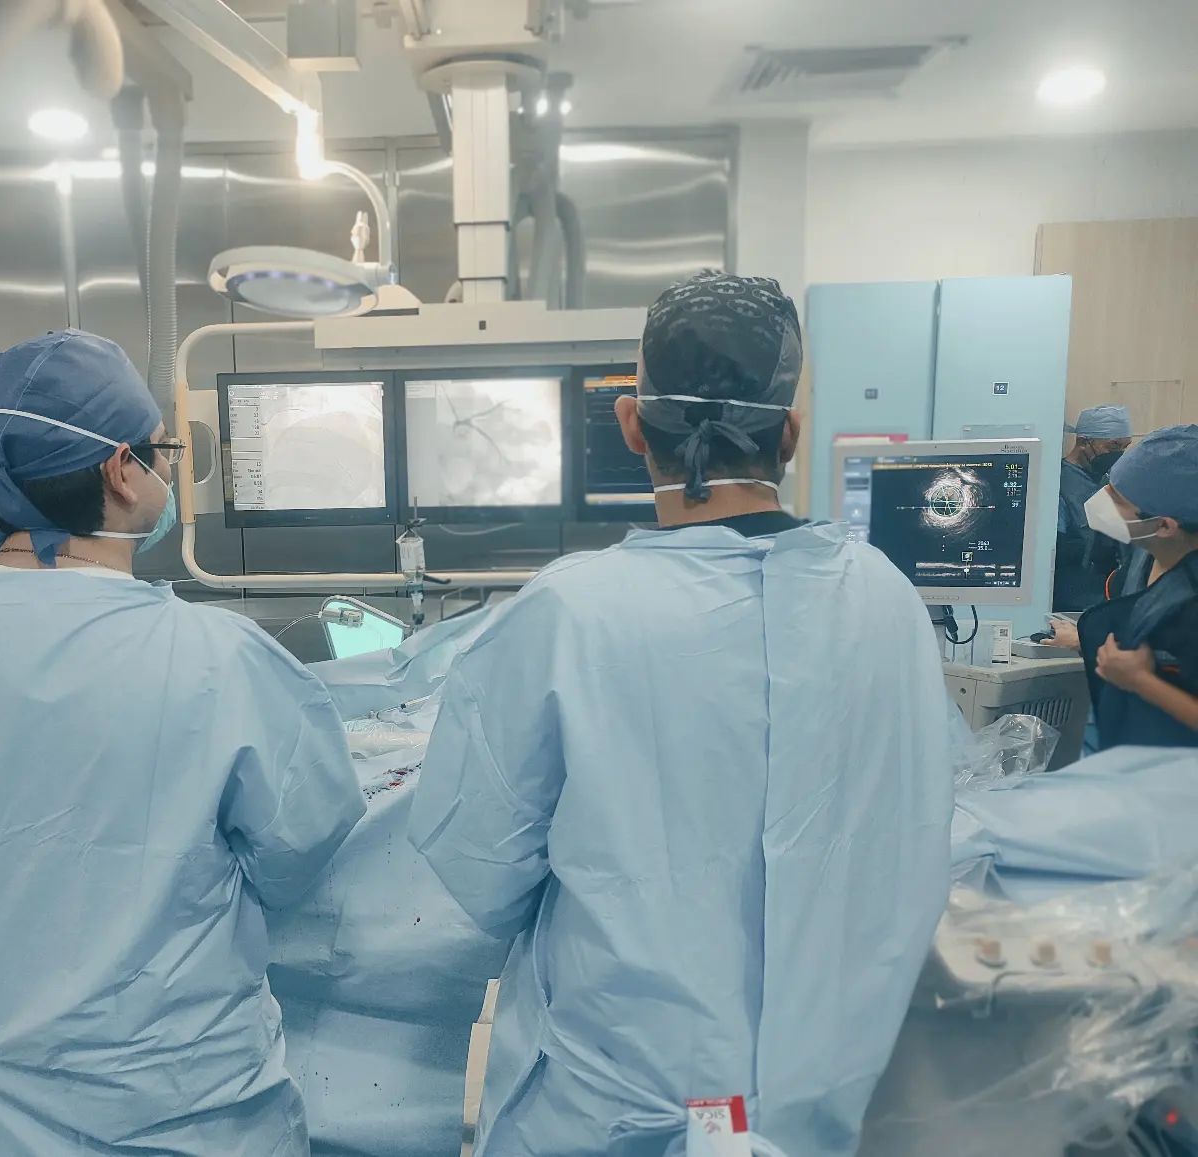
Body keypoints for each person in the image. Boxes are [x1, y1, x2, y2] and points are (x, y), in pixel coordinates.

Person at [408, 272, 955, 1157]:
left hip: (618, 1097)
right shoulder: (886, 598)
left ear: (632, 423)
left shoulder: (571, 613)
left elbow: (480, 868)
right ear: (790, 432)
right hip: (828, 1090)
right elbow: (918, 828)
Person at [0, 330, 365, 1156]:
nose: (167, 470)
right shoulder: (208, 656)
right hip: (172, 1107)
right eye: (163, 451)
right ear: (121, 469)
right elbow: (302, 849)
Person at [1048, 425, 1198, 749]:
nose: (1101, 500)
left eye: (1116, 498)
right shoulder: (1146, 553)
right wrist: (1085, 639)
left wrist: (1142, 681)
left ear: (1164, 525)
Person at [1054, 404, 1133, 612]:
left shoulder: (1116, 480)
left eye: (1124, 447)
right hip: (1073, 599)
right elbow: (1056, 550)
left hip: (1111, 595)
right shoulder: (1058, 483)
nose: (1119, 454)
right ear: (1083, 442)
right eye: (1112, 446)